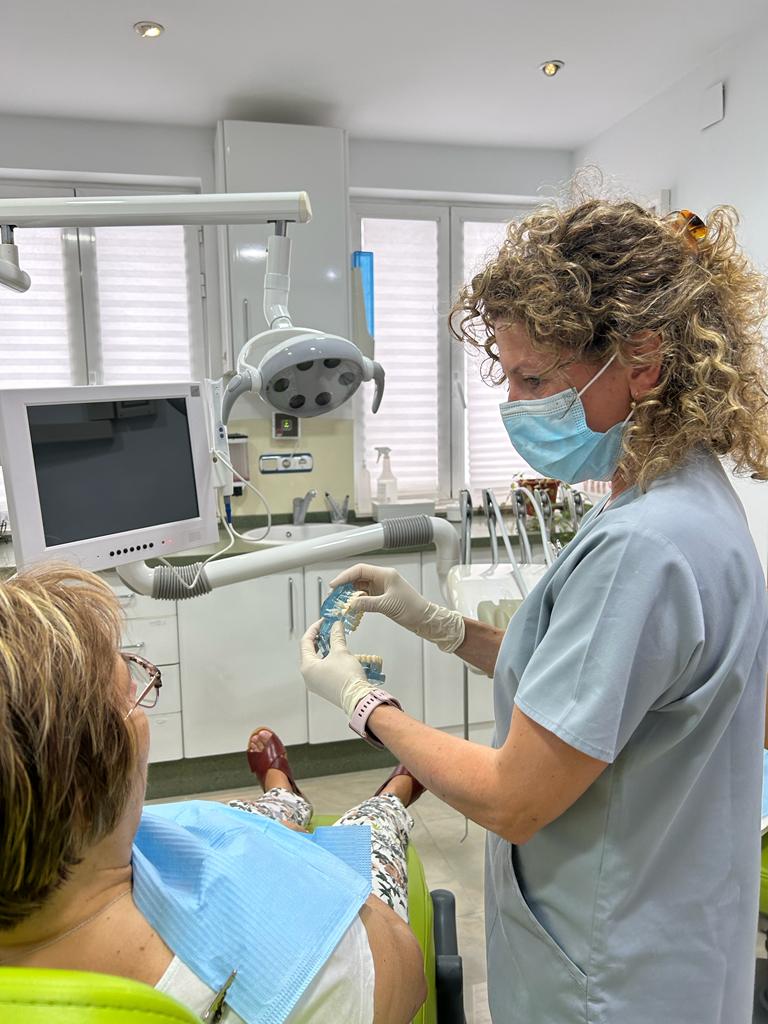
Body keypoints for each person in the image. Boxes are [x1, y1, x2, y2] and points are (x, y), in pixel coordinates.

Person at [299, 199, 768, 1023]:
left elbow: (516, 796)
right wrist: (439, 624)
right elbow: (588, 685)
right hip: (669, 938)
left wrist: (362, 702)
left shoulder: (643, 548)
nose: (514, 405)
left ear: (644, 361)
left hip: (610, 973)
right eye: (507, 377)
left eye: (536, 379)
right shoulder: (684, 501)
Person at [0, 564, 426, 1024]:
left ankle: (280, 790)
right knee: (367, 826)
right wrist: (292, 857)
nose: (140, 698)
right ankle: (395, 792)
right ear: (81, 794)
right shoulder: (308, 976)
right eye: (131, 692)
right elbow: (408, 974)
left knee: (264, 813)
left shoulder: (72, 850)